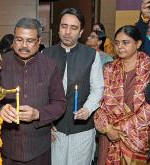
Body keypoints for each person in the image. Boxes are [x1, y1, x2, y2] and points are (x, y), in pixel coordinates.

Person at [0, 17, 66, 165]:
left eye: (30, 41)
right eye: (19, 39)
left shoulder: (50, 66)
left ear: (38, 41)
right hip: (7, 146)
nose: (23, 45)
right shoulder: (0, 63)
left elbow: (60, 104)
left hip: (38, 148)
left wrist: (38, 114)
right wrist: (0, 109)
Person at [43, 8, 104, 165]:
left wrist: (88, 108)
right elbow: (41, 93)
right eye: (64, 26)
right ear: (58, 28)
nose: (68, 32)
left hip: (82, 128)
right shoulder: (45, 55)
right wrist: (46, 122)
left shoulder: (91, 55)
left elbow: (97, 88)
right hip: (54, 128)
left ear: (81, 31)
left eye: (74, 28)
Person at [94, 25, 150, 164]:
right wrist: (107, 129)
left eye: (125, 42)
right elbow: (98, 103)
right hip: (108, 138)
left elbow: (148, 110)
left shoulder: (149, 71)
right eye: (117, 42)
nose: (120, 47)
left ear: (138, 44)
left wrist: (118, 129)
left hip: (137, 139)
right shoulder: (108, 69)